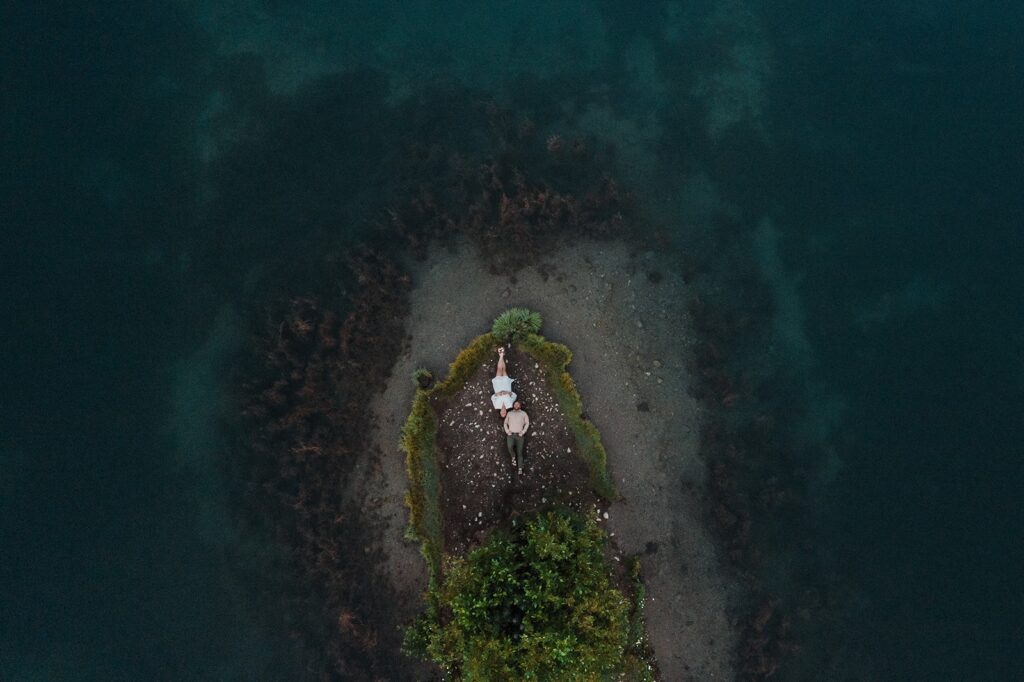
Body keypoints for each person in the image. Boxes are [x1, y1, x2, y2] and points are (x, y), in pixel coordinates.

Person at [503, 400, 530, 475]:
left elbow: (527, 423)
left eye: (518, 404)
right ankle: (513, 456)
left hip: (519, 435)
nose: (516, 405)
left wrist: (523, 432)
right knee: (509, 447)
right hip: (511, 435)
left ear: (520, 406)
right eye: (515, 404)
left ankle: (520, 468)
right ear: (513, 406)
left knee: (520, 452)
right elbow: (505, 423)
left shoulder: (523, 413)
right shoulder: (510, 413)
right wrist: (507, 431)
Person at [490, 346, 516, 417]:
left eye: (502, 413)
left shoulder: (496, 406)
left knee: (499, 369)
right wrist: (507, 392)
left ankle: (501, 355)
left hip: (498, 386)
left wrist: (498, 394)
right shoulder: (510, 405)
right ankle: (501, 355)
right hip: (506, 385)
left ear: (500, 412)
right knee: (504, 369)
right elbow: (514, 396)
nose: (503, 412)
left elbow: (492, 397)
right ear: (506, 412)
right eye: (505, 413)